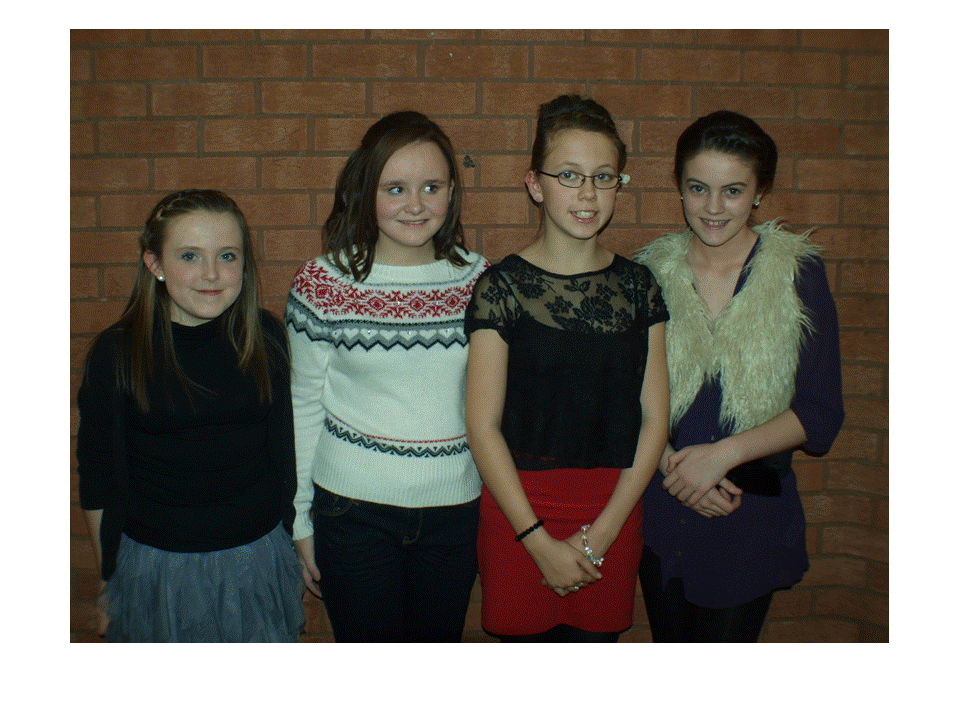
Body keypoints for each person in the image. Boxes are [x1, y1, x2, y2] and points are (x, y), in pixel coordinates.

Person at [633, 110, 845, 642]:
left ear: (759, 193)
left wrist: (720, 456)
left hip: (747, 514)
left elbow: (820, 413)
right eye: (698, 188)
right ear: (679, 187)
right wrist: (678, 473)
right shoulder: (648, 274)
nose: (712, 207)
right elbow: (623, 395)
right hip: (662, 503)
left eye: (732, 191)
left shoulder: (797, 273)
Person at [465, 94, 669, 642]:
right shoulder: (500, 288)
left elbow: (654, 419)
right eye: (570, 175)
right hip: (518, 516)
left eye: (604, 177)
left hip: (612, 512)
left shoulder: (639, 288)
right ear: (535, 184)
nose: (588, 194)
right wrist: (536, 540)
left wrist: (601, 535)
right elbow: (482, 426)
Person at [286, 111, 489, 642]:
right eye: (395, 188)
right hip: (352, 515)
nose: (415, 204)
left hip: (454, 513)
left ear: (452, 192)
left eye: (431, 187)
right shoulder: (323, 283)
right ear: (365, 191)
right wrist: (300, 519)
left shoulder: (482, 282)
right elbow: (302, 406)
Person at [77, 189, 304, 642]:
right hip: (156, 566)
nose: (211, 273)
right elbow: (98, 473)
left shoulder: (265, 336)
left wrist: (291, 541)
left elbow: (282, 449)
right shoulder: (117, 352)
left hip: (256, 558)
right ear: (154, 263)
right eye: (189, 256)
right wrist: (108, 578)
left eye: (227, 255)